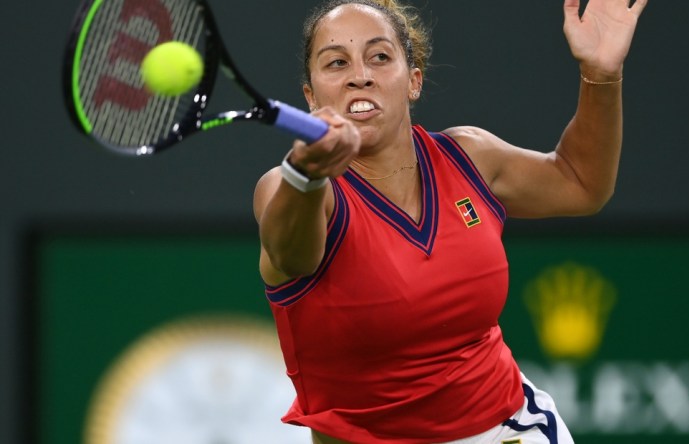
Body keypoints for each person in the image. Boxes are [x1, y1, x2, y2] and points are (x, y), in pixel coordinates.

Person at [253, 0, 647, 442]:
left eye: (380, 57)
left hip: (506, 429)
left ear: (413, 81)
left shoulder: (469, 157)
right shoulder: (293, 190)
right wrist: (305, 174)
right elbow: (291, 255)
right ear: (311, 97)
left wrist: (602, 74)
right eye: (336, 63)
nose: (359, 75)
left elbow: (581, 183)